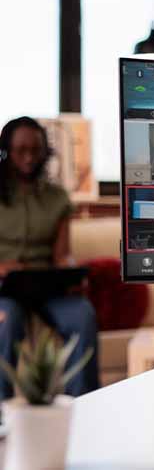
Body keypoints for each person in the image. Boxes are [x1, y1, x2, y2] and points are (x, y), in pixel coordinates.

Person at [0, 117, 99, 398]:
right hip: (5, 289)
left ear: (45, 151)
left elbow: (62, 254)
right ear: (6, 151)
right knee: (6, 322)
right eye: (20, 150)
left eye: (35, 149)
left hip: (46, 286)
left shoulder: (57, 198)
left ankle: (84, 408)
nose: (29, 157)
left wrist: (72, 271)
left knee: (83, 315)